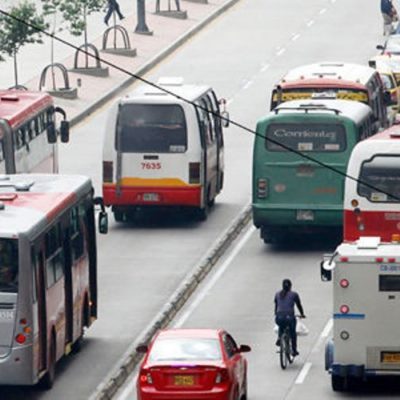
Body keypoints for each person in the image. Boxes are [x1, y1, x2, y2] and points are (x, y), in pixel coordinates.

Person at [274, 279, 305, 357]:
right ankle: (294, 350)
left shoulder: (277, 294)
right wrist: (302, 314)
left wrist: (276, 314)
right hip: (289, 317)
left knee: (281, 325)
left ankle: (279, 338)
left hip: (279, 317)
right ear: (291, 286)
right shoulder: (294, 294)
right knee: (292, 333)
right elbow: (299, 305)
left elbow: (276, 306)